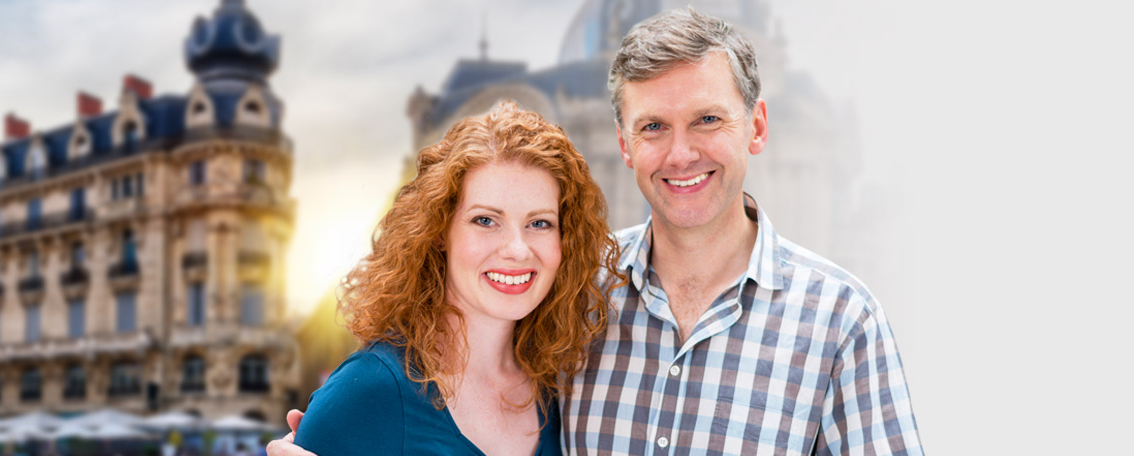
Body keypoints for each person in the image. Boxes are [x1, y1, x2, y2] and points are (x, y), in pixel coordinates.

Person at [272, 7, 923, 456]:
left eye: (706, 120)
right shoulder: (580, 303)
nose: (680, 154)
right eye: (652, 128)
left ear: (755, 126)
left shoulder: (842, 323)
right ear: (622, 143)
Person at [289, 100, 622, 456]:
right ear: (438, 231)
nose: (518, 249)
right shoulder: (369, 390)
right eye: (485, 220)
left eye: (539, 223)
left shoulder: (558, 393)